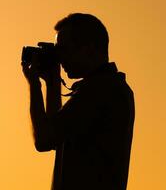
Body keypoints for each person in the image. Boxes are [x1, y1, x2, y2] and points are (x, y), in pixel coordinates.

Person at [21, 13, 135, 190]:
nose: (60, 58)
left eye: (65, 50)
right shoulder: (107, 86)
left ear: (89, 49)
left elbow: (44, 140)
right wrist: (52, 81)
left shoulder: (100, 89)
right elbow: (55, 133)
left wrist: (34, 85)